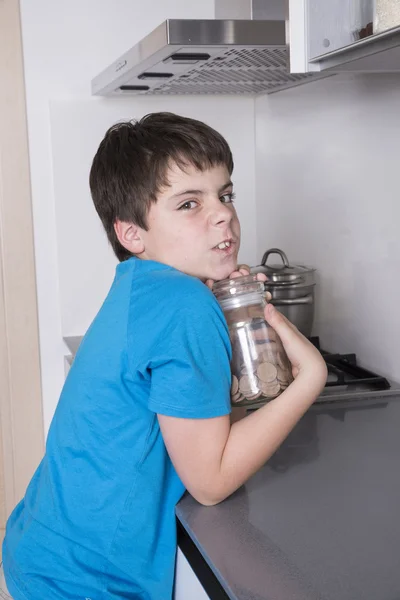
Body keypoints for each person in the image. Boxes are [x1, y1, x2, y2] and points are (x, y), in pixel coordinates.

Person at [1, 112, 327, 600]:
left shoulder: (146, 285)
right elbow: (210, 482)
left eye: (226, 194)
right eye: (189, 203)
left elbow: (203, 418)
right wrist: (310, 379)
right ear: (133, 234)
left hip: (46, 546)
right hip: (88, 582)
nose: (223, 214)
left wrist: (236, 320)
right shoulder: (182, 304)